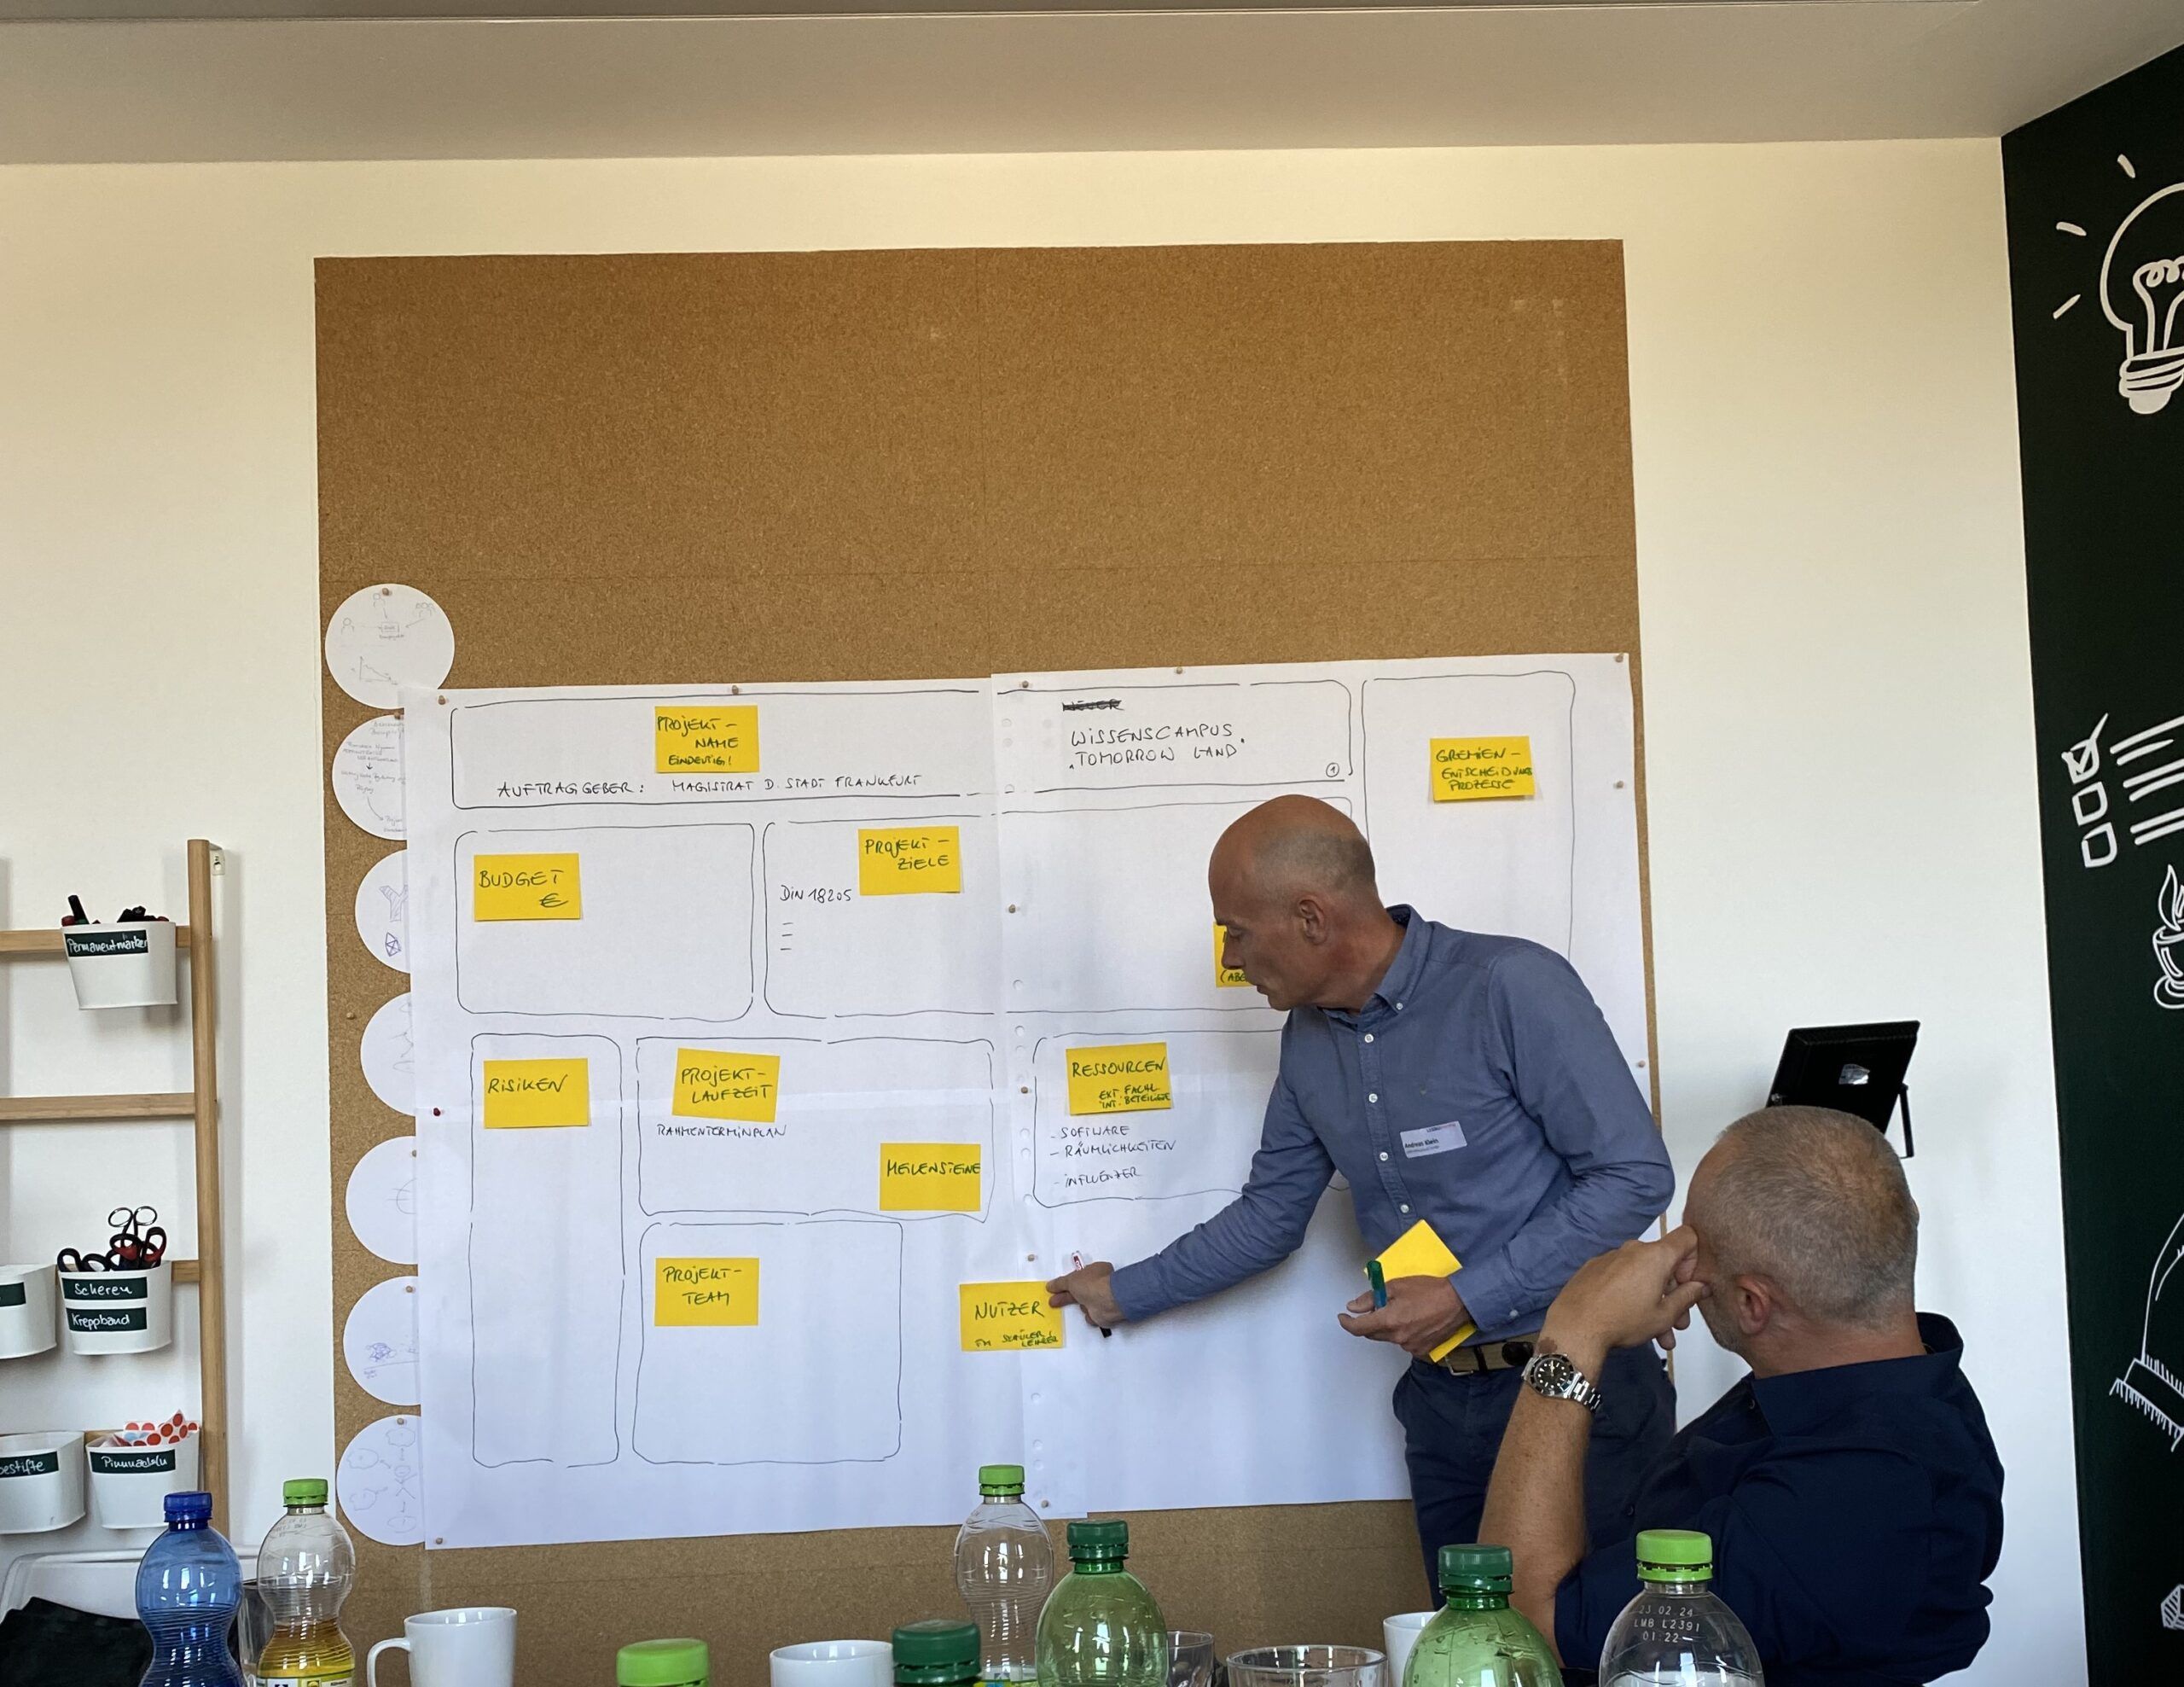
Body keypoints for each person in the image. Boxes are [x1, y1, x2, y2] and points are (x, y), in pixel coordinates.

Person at [1044, 795, 1676, 1584]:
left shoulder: (1510, 985)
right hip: (1442, 1402)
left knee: (1595, 1639)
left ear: (1311, 917)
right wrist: (1121, 1292)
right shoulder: (1308, 1041)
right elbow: (1270, 1216)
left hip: (1575, 1383)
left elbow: (1634, 1175)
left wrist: (1465, 1296)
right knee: (1465, 1646)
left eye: (1236, 930)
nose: (1231, 957)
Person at [1478, 1106, 2003, 1684]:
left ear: (1753, 1304)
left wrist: (1575, 1333)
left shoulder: (1850, 1495)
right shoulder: (1882, 1375)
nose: (1669, 1261)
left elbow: (1519, 1625)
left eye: (1691, 1247)